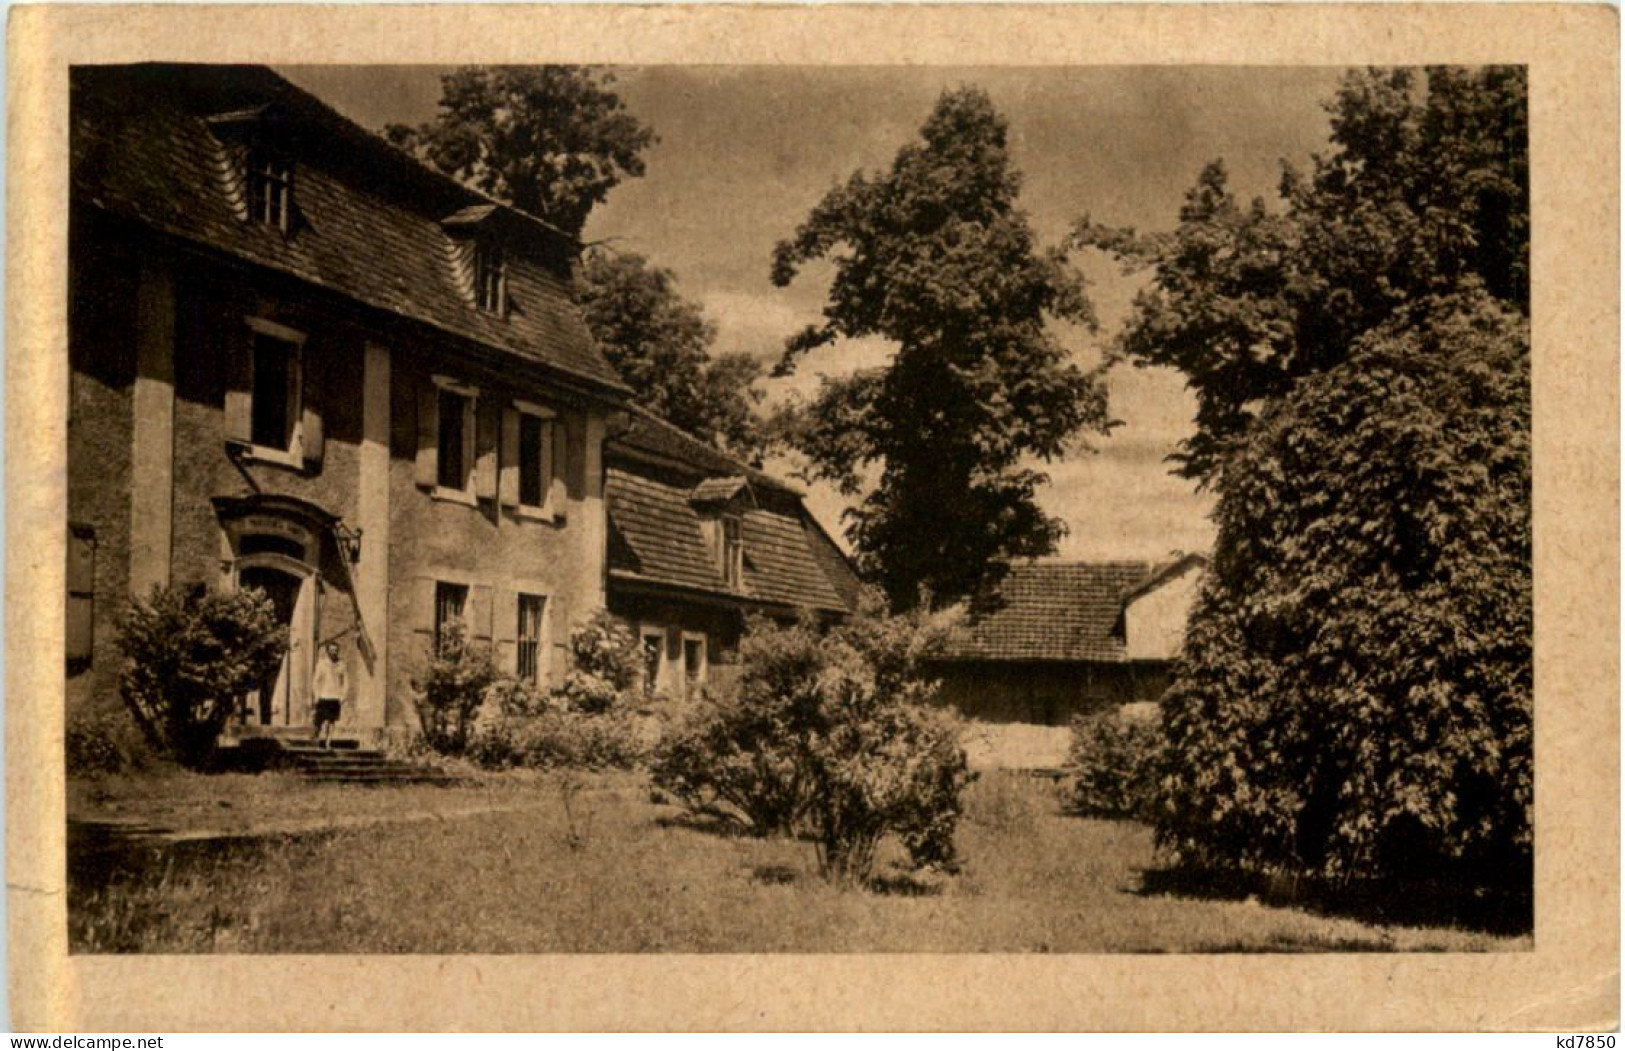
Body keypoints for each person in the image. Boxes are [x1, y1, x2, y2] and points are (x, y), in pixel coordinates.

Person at [311, 641, 347, 748]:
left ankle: (328, 742)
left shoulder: (341, 665)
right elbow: (316, 681)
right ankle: (316, 737)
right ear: (327, 652)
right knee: (320, 721)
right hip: (323, 696)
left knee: (331, 722)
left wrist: (343, 696)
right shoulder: (322, 664)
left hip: (335, 697)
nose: (334, 652)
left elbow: (346, 681)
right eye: (332, 650)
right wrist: (316, 695)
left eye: (336, 650)